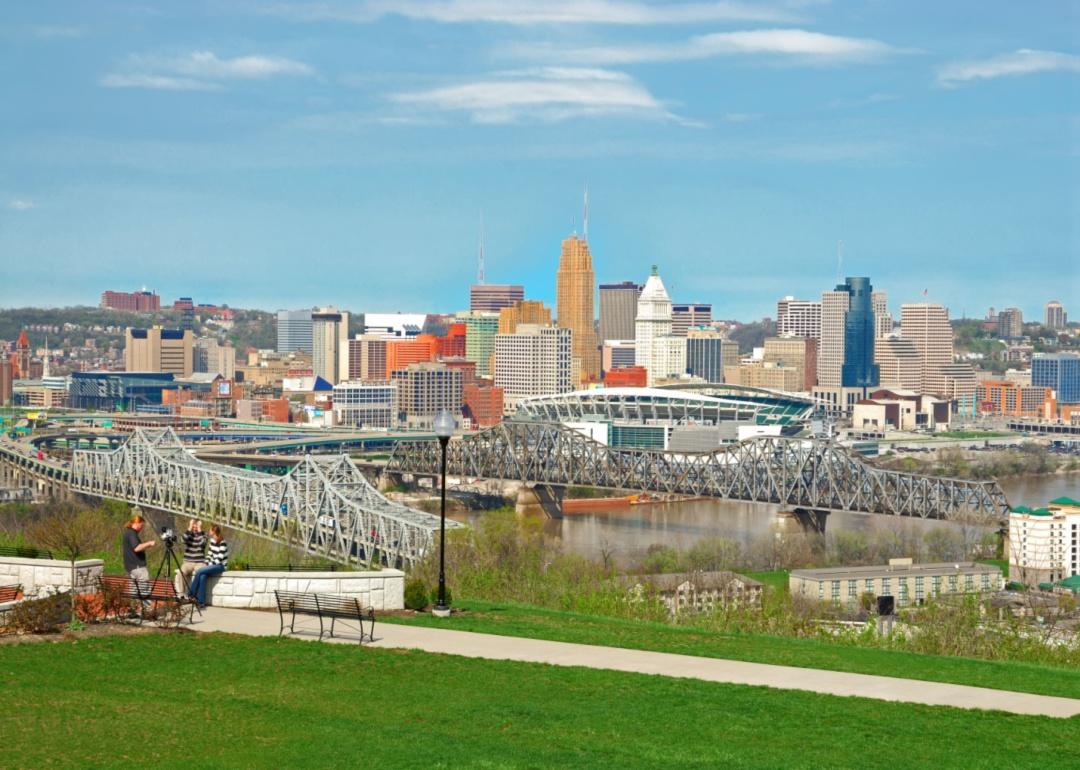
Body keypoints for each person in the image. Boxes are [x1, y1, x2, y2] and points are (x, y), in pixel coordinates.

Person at [188, 525, 229, 609]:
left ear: (214, 532)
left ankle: (191, 594)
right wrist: (206, 563)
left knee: (199, 571)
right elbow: (209, 555)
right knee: (202, 576)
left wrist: (207, 566)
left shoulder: (222, 542)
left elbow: (219, 559)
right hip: (212, 565)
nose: (209, 531)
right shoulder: (212, 541)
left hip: (220, 566)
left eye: (210, 530)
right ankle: (201, 602)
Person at [122, 513, 156, 604]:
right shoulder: (132, 533)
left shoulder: (127, 533)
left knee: (134, 590)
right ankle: (147, 610)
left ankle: (134, 609)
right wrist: (149, 544)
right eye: (141, 526)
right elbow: (136, 548)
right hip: (138, 567)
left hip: (130, 566)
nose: (141, 528)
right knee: (144, 589)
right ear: (137, 523)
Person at [174, 518, 207, 599]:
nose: (195, 528)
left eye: (196, 527)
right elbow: (183, 540)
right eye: (194, 527)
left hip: (200, 562)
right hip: (188, 561)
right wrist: (189, 526)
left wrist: (199, 530)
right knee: (181, 572)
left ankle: (196, 595)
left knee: (202, 574)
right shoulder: (188, 534)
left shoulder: (203, 534)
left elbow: (202, 543)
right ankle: (181, 594)